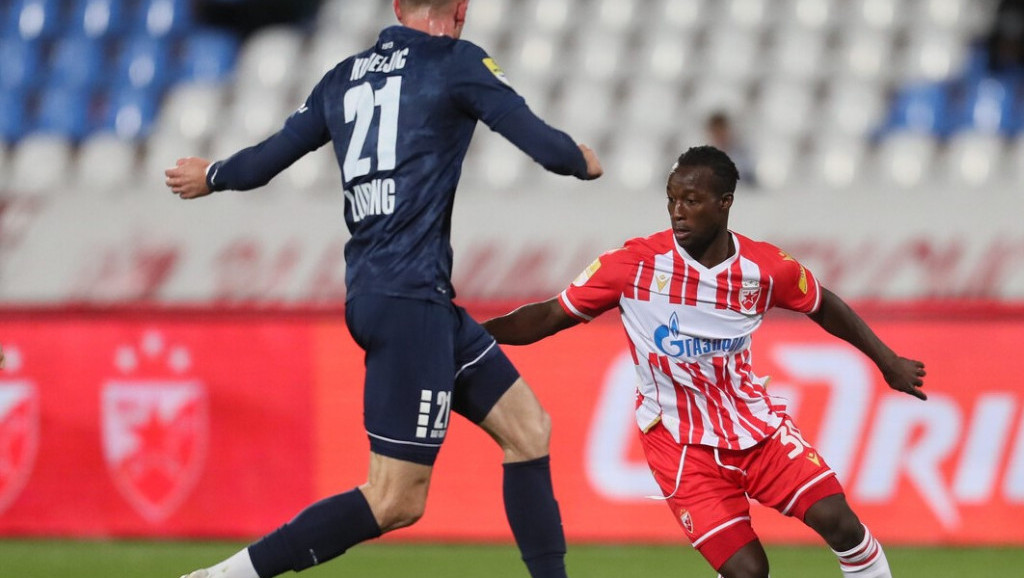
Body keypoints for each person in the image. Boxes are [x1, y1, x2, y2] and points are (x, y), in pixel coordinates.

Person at [164, 1, 603, 578]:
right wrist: (580, 161)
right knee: (395, 499)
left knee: (528, 429)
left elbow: (263, 162)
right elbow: (547, 148)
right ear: (462, 8)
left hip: (398, 295)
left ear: (397, 7)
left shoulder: (343, 77)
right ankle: (225, 577)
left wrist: (212, 174)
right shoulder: (456, 62)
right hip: (409, 300)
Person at [482, 145, 926, 578]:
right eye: (672, 199)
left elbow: (823, 304)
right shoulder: (632, 266)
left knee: (840, 522)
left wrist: (887, 361)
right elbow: (548, 315)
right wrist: (471, 335)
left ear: (724, 203)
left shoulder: (766, 269)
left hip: (755, 429)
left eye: (691, 201)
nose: (677, 212)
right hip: (680, 447)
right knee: (748, 571)